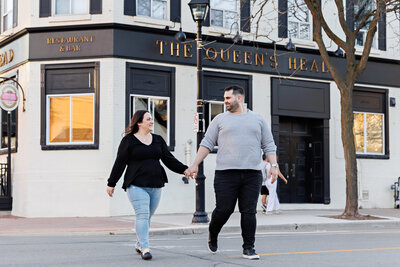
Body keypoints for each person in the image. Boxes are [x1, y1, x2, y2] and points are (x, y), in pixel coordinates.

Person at [186, 85, 278, 260]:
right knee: (224, 209)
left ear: (239, 98)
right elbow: (207, 143)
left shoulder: (258, 119)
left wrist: (274, 166)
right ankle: (213, 233)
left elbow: (269, 145)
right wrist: (195, 164)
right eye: (225, 98)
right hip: (225, 174)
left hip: (252, 174)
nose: (225, 101)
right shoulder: (220, 119)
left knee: (249, 211)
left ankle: (249, 248)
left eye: (228, 98)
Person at [107, 110, 189, 261]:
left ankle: (139, 243)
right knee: (142, 215)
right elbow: (120, 162)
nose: (152, 121)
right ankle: (145, 248)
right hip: (136, 184)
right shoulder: (129, 140)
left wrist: (184, 169)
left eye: (152, 119)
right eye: (148, 119)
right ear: (139, 122)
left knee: (147, 217)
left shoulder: (158, 139)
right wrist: (111, 183)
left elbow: (169, 159)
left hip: (156, 184)